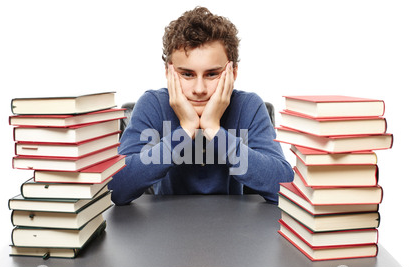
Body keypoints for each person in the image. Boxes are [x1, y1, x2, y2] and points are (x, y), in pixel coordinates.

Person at [108, 6, 293, 205]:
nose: (199, 89)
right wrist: (186, 129)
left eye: (212, 74)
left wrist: (213, 129)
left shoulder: (249, 106)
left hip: (235, 227)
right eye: (187, 74)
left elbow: (284, 187)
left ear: (233, 73)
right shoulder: (153, 105)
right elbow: (116, 188)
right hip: (165, 226)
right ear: (168, 73)